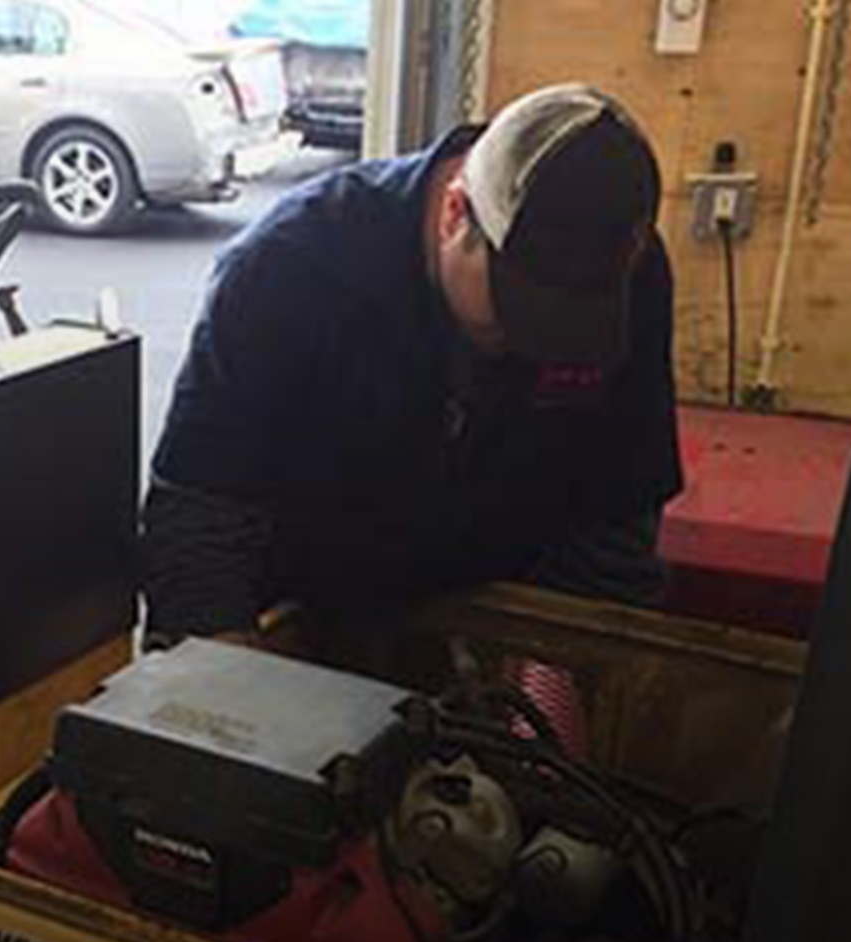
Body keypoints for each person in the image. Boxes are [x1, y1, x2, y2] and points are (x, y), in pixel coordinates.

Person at [140, 83, 683, 647]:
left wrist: (556, 680)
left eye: (564, 331)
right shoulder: (290, 268)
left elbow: (617, 505)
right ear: (454, 212)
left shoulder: (626, 276)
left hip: (500, 614)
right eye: (511, 315)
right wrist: (225, 693)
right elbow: (201, 509)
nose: (530, 350)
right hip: (304, 611)